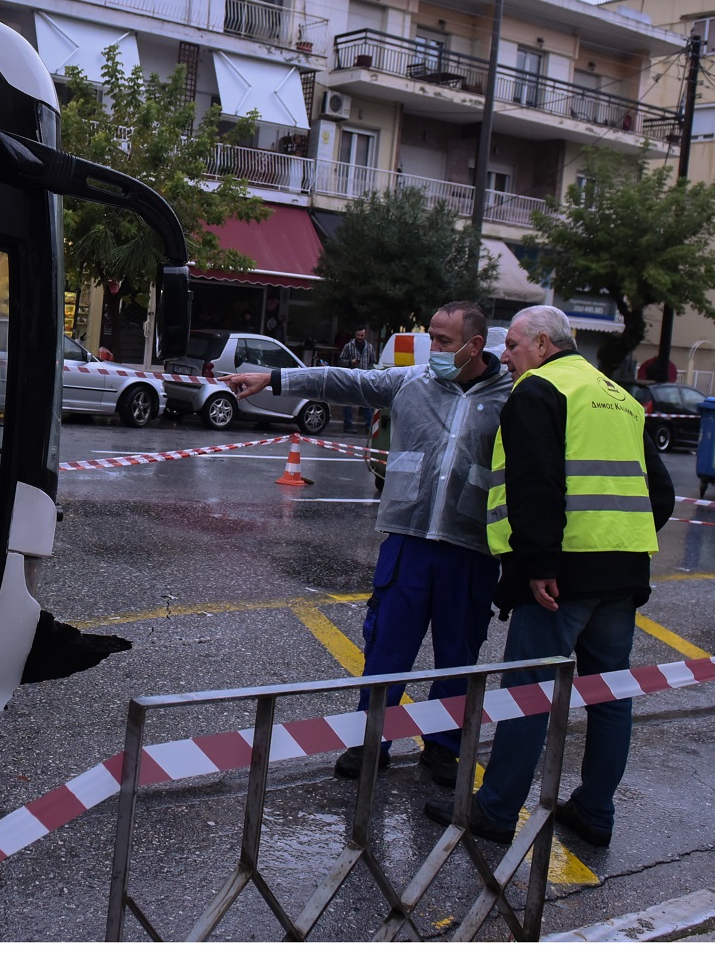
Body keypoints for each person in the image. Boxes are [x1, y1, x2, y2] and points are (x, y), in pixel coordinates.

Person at [225, 302, 512, 786]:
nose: (433, 349)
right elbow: (341, 380)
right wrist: (272, 378)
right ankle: (370, 741)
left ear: (475, 345)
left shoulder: (511, 396)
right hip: (408, 541)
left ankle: (443, 749)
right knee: (387, 650)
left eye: (444, 341)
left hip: (470, 546)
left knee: (459, 657)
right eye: (432, 338)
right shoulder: (412, 382)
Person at [423, 305, 674, 847]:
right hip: (623, 571)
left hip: (559, 577)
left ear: (542, 344)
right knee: (610, 695)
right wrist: (620, 545)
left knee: (529, 694)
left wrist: (538, 564)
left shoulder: (538, 390)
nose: (505, 355)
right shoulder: (621, 398)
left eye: (513, 345)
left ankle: (496, 810)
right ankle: (596, 812)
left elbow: (534, 484)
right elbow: (661, 494)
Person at [337, 327, 377, 433]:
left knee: (366, 403)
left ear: (365, 335)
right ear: (355, 334)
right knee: (348, 403)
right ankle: (348, 425)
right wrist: (350, 362)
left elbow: (373, 363)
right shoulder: (349, 346)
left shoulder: (369, 347)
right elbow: (340, 361)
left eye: (362, 335)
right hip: (351, 379)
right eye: (358, 335)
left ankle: (369, 426)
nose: (359, 337)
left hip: (364, 379)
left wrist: (371, 374)